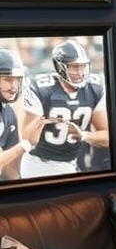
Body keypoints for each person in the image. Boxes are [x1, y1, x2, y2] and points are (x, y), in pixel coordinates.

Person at [20, 39, 109, 178]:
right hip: (37, 163)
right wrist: (40, 122)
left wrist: (84, 135)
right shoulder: (41, 89)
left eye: (82, 66)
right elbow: (28, 139)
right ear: (60, 67)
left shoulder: (95, 87)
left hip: (68, 163)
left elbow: (107, 137)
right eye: (74, 67)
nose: (80, 72)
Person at [0, 48, 42, 180]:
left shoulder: (8, 111)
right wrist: (26, 144)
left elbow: (10, 169)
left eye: (17, 80)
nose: (14, 86)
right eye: (8, 79)